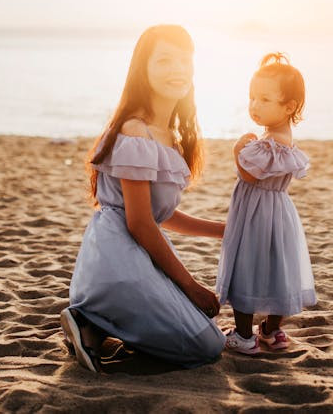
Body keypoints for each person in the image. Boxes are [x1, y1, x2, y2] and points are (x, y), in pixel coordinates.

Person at [62, 24, 227, 373]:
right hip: (117, 259)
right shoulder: (136, 131)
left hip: (132, 252)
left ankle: (97, 329)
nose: (177, 69)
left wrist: (222, 231)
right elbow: (139, 223)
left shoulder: (171, 136)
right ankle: (92, 321)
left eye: (184, 60)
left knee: (204, 332)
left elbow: (160, 215)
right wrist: (191, 285)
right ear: (143, 69)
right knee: (208, 346)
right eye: (164, 60)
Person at [216, 53, 316, 354]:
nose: (254, 105)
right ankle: (272, 330)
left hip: (256, 212)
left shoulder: (270, 143)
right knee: (278, 268)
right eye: (252, 97)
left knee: (247, 265)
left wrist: (237, 150)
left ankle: (245, 336)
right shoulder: (282, 139)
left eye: (264, 99)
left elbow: (251, 174)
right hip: (278, 212)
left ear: (289, 107)